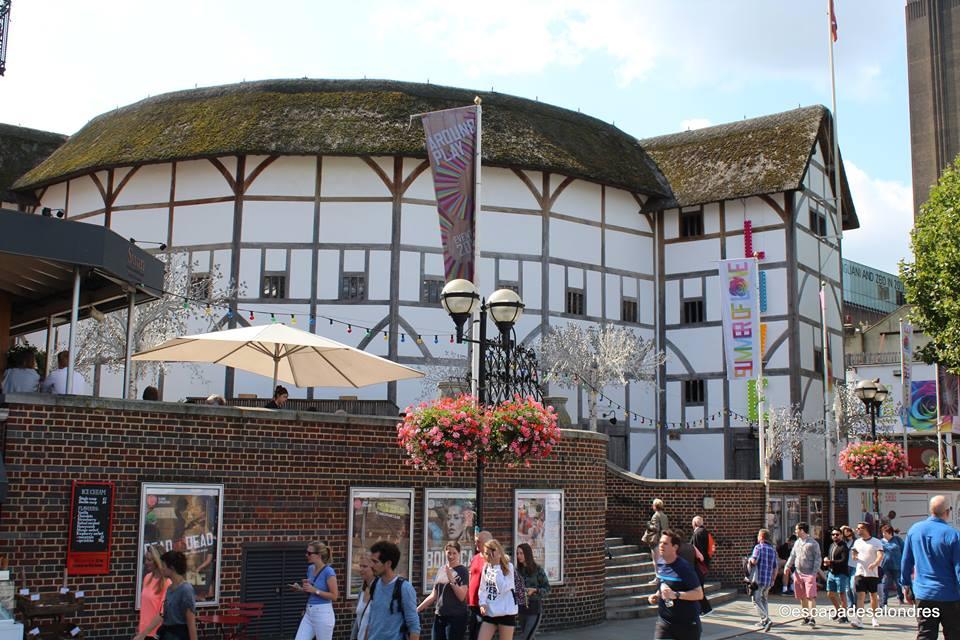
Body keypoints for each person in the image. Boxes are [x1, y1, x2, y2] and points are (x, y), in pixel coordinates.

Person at [900, 494, 960, 639]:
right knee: (954, 634)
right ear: (947, 511)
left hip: (924, 594)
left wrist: (906, 585)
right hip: (949, 595)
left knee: (925, 633)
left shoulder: (915, 530)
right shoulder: (953, 535)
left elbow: (906, 561)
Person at [647, 530, 703, 640]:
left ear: (675, 547)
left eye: (665, 543)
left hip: (687, 625)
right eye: (660, 542)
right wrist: (657, 596)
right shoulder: (661, 563)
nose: (661, 545)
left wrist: (676, 595)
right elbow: (663, 583)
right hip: (665, 622)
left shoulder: (684, 568)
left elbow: (699, 594)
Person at [132, 550, 197, 640]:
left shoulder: (186, 589)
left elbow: (191, 623)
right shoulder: (170, 588)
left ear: (171, 568)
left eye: (164, 566)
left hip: (178, 634)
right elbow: (163, 613)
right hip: (166, 633)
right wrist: (143, 632)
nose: (162, 568)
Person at [367, 540, 421, 640]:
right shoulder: (374, 584)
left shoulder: (404, 588)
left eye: (375, 562)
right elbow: (371, 619)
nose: (371, 565)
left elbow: (414, 625)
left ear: (388, 563)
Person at [418, 541, 469, 640]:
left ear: (459, 554)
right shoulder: (442, 569)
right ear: (445, 553)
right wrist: (418, 609)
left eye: (454, 553)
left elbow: (462, 596)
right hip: (440, 615)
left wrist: (452, 580)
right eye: (449, 553)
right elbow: (434, 595)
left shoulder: (463, 571)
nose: (451, 556)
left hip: (455, 617)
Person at [290, 541, 337, 640]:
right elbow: (310, 592)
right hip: (309, 612)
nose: (306, 555)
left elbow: (334, 596)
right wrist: (300, 588)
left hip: (323, 613)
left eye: (309, 553)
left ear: (318, 555)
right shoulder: (310, 569)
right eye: (307, 552)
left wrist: (315, 590)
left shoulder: (329, 571)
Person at [477, 539, 518, 640]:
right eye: (486, 553)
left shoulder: (509, 567)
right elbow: (483, 588)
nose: (489, 555)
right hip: (490, 612)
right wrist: (482, 603)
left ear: (499, 551)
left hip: (506, 613)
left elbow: (503, 588)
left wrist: (496, 567)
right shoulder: (486, 567)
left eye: (492, 551)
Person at [783, 522, 821, 628]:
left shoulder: (813, 543)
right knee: (801, 596)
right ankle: (805, 617)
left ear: (802, 530)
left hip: (809, 573)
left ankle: (812, 618)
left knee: (810, 596)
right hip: (798, 573)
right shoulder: (797, 542)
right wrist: (787, 566)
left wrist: (814, 573)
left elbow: (818, 559)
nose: (795, 531)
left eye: (796, 529)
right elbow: (792, 555)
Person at [850, 521, 884, 629]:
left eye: (860, 528)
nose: (857, 530)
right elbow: (854, 553)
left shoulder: (876, 542)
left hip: (872, 573)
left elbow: (880, 555)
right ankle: (859, 619)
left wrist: (875, 564)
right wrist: (854, 556)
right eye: (857, 528)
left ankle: (874, 617)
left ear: (866, 529)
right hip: (860, 572)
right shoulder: (857, 542)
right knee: (860, 596)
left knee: (873, 596)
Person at [515, 543, 550, 640]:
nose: (519, 556)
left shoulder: (538, 570)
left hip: (534, 609)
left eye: (521, 553)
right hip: (522, 609)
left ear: (527, 554)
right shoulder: (517, 571)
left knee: (526, 637)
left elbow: (547, 589)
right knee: (530, 637)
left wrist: (535, 590)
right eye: (517, 553)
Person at [747, 529, 777, 633]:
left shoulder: (758, 547)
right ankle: (764, 621)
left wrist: (749, 559)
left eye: (758, 536)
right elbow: (775, 567)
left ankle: (766, 619)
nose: (757, 538)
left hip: (758, 580)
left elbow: (754, 561)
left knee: (755, 600)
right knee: (764, 599)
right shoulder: (773, 550)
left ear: (762, 537)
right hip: (768, 580)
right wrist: (773, 579)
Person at [138, 546, 170, 640]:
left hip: (156, 634)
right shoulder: (147, 578)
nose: (146, 562)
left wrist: (143, 634)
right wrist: (141, 629)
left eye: (149, 560)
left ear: (157, 561)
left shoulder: (167, 583)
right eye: (146, 559)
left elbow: (162, 614)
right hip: (143, 632)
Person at [467, 531, 493, 640]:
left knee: (480, 635)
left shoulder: (492, 559)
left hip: (483, 605)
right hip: (472, 603)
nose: (476, 544)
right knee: (472, 633)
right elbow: (471, 576)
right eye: (476, 541)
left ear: (487, 543)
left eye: (479, 542)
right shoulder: (475, 557)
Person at [823, 528, 850, 624]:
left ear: (841, 535)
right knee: (830, 593)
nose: (835, 536)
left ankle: (844, 616)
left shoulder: (844, 547)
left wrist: (831, 562)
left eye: (837, 534)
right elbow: (830, 556)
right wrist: (827, 560)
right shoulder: (832, 545)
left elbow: (843, 561)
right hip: (831, 572)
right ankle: (839, 611)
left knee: (841, 594)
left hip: (841, 574)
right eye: (833, 534)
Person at [350, 554, 375, 640]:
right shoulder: (362, 590)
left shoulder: (380, 591)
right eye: (360, 566)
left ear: (374, 568)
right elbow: (358, 621)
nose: (361, 569)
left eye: (364, 566)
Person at [879, 524, 904, 607]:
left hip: (897, 566)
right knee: (885, 583)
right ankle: (884, 602)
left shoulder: (897, 540)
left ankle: (900, 597)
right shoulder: (880, 542)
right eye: (882, 532)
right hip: (885, 566)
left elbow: (904, 551)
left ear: (890, 533)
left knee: (898, 584)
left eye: (885, 533)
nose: (883, 534)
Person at [646, 499, 670, 584]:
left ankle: (657, 578)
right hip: (663, 540)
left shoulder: (655, 516)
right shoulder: (664, 516)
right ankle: (664, 577)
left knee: (656, 561)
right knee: (662, 560)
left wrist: (648, 525)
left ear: (655, 506)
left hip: (656, 541)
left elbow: (655, 528)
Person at [841, 525, 858, 609]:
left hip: (854, 566)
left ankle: (856, 603)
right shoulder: (844, 542)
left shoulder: (857, 542)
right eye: (845, 531)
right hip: (845, 566)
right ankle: (850, 604)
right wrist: (843, 528)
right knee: (847, 588)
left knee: (852, 586)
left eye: (848, 531)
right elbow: (839, 532)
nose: (846, 533)